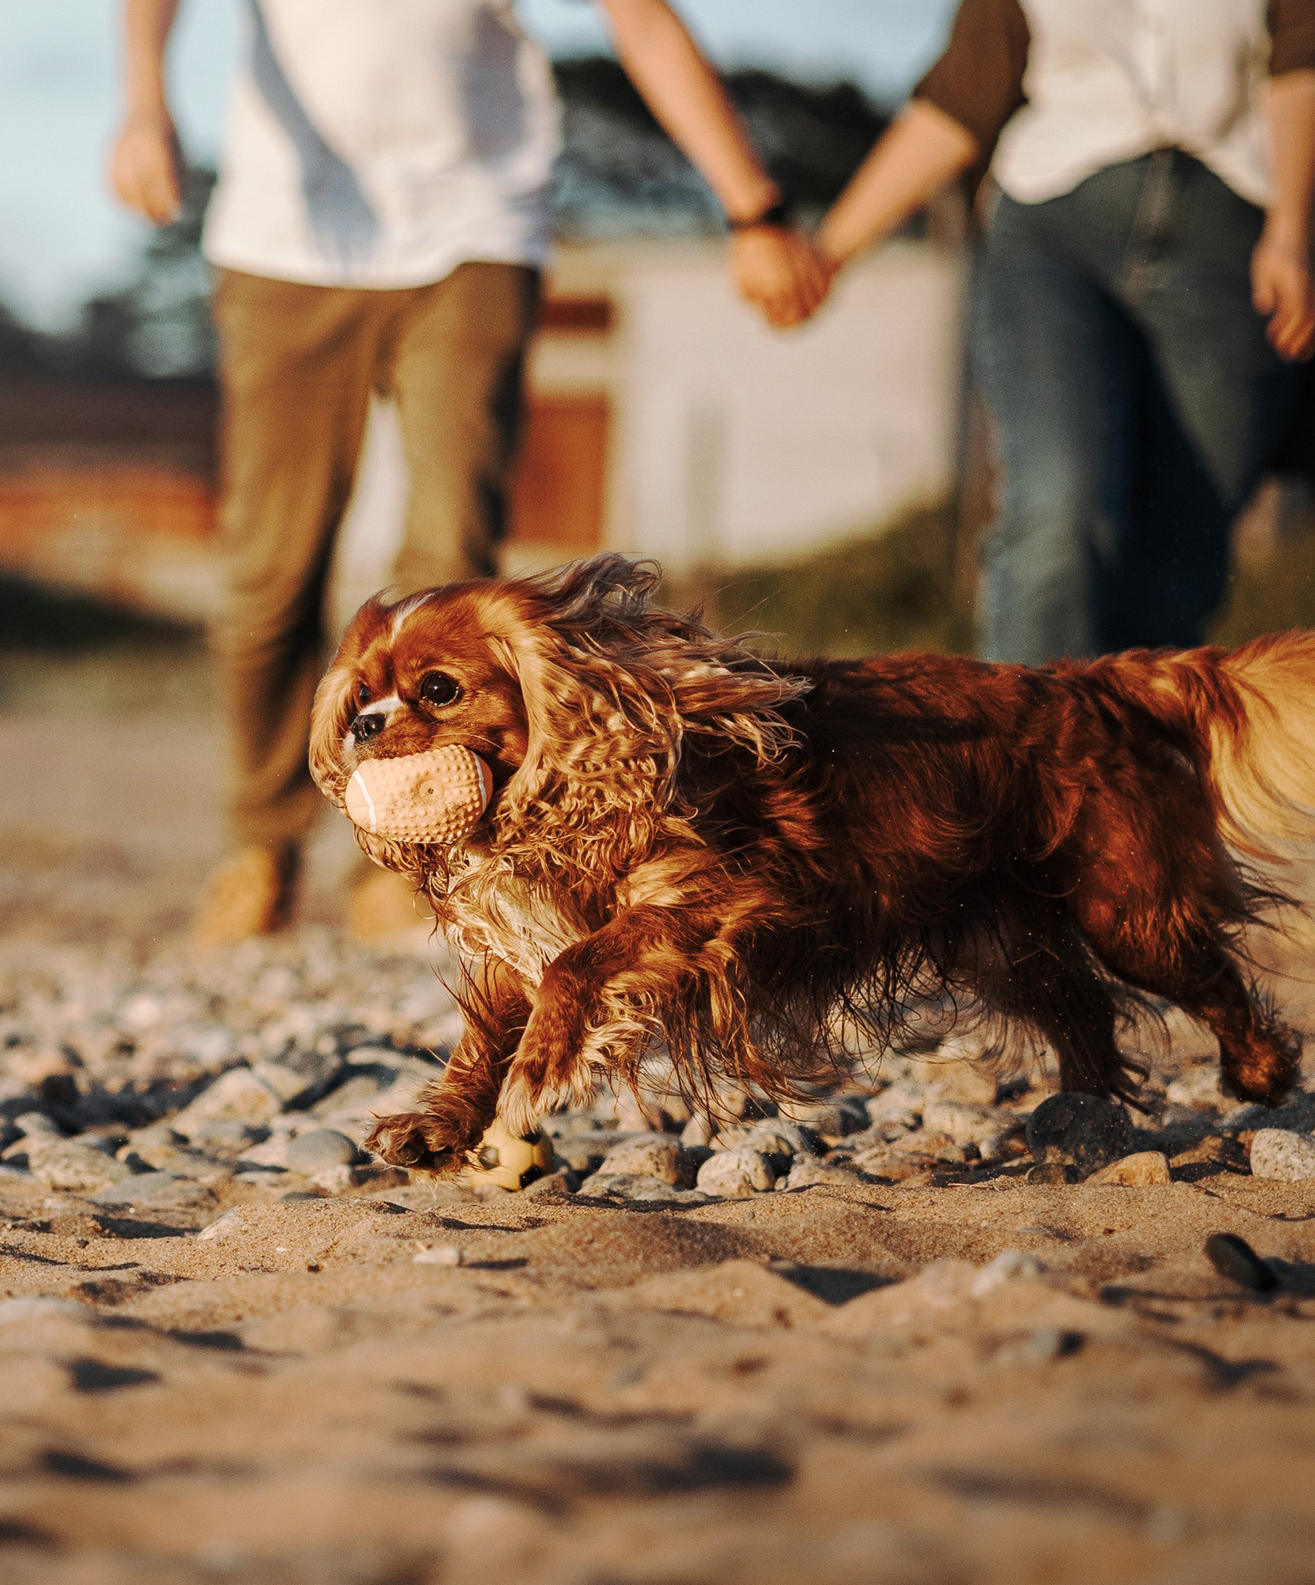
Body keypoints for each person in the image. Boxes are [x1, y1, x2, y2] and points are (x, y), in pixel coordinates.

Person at [109, 0, 828, 947]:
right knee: (269, 571)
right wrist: (144, 102)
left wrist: (755, 207)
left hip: (475, 228)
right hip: (283, 239)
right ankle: (262, 843)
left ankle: (416, 852)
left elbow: (641, 21)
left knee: (450, 563)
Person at [780, 0, 1315, 664]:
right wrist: (825, 255)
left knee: (1178, 556)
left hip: (1234, 235)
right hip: (1051, 223)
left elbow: (1309, 59)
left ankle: (1143, 760)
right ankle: (1026, 759)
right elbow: (963, 96)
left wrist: (1293, 230)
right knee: (1057, 507)